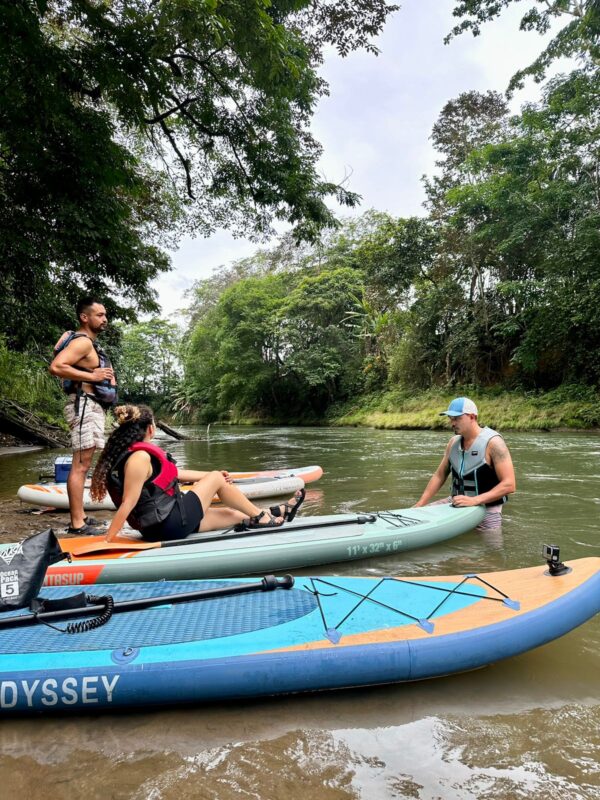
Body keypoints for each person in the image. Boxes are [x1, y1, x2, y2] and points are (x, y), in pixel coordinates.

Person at [90, 405, 305, 542]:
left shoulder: (134, 455)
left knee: (233, 515)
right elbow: (128, 503)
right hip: (169, 524)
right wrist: (107, 541)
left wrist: (213, 476)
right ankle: (261, 516)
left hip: (164, 524)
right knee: (215, 478)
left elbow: (175, 474)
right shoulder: (140, 458)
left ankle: (275, 512)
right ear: (150, 429)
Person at [49, 297, 116, 535]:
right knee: (79, 466)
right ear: (84, 317)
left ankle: (82, 517)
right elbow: (57, 366)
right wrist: (94, 377)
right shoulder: (83, 343)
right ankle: (77, 524)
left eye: (105, 315)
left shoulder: (89, 343)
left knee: (83, 463)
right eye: (99, 315)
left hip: (90, 406)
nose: (104, 319)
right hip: (83, 405)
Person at [414, 397, 515, 530]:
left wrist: (474, 500)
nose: (452, 423)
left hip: (487, 509)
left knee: (492, 548)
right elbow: (439, 476)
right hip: (457, 502)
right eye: (451, 418)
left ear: (472, 417)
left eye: (457, 418)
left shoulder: (494, 443)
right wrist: (420, 504)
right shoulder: (453, 443)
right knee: (420, 517)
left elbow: (509, 485)